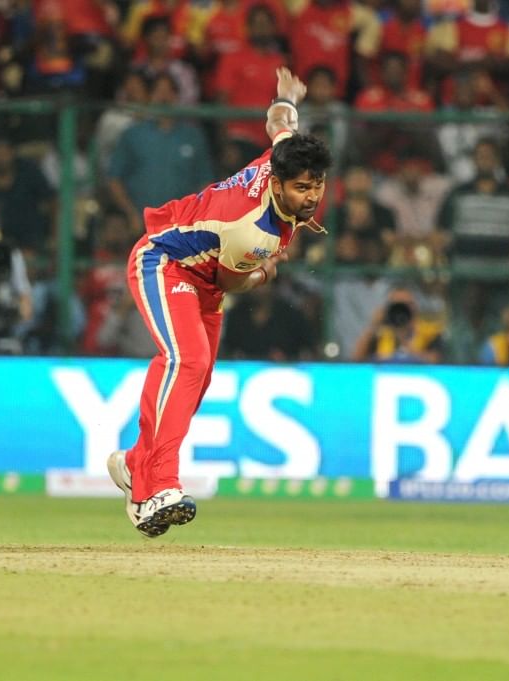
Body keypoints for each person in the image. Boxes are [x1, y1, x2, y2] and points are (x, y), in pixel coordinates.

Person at [107, 67, 331, 538]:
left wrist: (287, 97)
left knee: (198, 376)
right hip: (165, 262)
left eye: (317, 186)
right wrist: (265, 272)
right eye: (302, 189)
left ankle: (134, 464)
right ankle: (158, 487)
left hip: (203, 276)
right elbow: (233, 282)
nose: (312, 197)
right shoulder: (252, 230)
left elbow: (279, 123)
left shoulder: (283, 158)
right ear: (277, 185)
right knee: (185, 360)